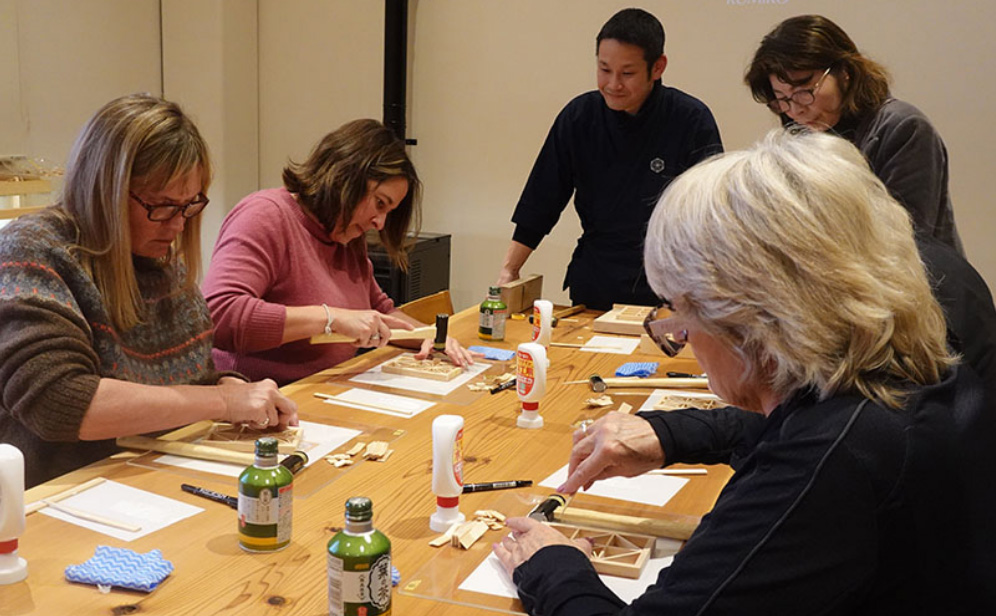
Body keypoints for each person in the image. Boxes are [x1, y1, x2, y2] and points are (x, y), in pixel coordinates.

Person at [492, 130, 996, 614]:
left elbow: (808, 451)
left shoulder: (829, 465)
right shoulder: (912, 374)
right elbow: (795, 425)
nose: (681, 336)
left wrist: (551, 567)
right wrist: (668, 435)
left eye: (679, 312)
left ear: (749, 320)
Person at [0, 94, 298, 488]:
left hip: (147, 477)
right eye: (160, 205)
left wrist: (227, 385)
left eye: (189, 205)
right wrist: (223, 402)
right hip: (62, 494)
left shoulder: (159, 261)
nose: (177, 225)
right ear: (104, 190)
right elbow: (59, 401)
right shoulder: (33, 249)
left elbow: (184, 382)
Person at [203, 119, 476, 386]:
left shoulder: (345, 236)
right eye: (379, 203)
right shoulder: (266, 215)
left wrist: (427, 336)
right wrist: (329, 319)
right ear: (346, 177)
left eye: (388, 212)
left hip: (324, 389)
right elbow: (219, 315)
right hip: (260, 399)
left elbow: (379, 311)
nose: (379, 223)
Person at [496, 8, 723, 310]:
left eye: (627, 73)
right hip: (595, 282)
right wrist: (509, 269)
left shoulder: (690, 120)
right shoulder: (579, 117)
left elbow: (711, 216)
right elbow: (542, 200)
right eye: (604, 69)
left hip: (668, 288)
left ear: (657, 67)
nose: (614, 84)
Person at [746, 14, 963, 254]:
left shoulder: (903, 128)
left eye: (805, 91)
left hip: (912, 282)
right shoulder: (800, 139)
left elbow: (905, 241)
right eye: (783, 99)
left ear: (845, 72)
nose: (796, 109)